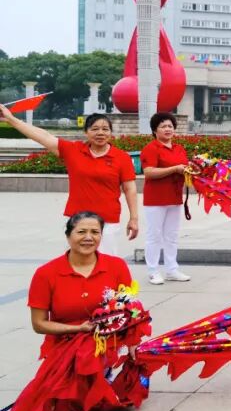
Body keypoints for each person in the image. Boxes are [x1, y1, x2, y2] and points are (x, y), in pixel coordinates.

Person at [0, 106, 138, 256]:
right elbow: (43, 136)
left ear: (111, 133)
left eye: (105, 129)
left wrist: (134, 218)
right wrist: (11, 119)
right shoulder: (73, 150)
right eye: (95, 129)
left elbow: (130, 189)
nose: (100, 133)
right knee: (76, 261)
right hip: (77, 219)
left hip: (107, 221)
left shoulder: (121, 157)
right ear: (86, 132)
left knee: (106, 262)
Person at [27, 212, 134, 360]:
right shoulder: (46, 273)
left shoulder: (117, 266)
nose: (88, 237)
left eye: (95, 232)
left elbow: (130, 311)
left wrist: (133, 343)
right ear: (68, 236)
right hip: (62, 350)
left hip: (104, 348)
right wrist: (77, 329)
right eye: (81, 232)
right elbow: (39, 324)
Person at [140, 112, 191, 285]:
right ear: (155, 130)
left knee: (172, 236)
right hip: (156, 198)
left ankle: (171, 269)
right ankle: (153, 271)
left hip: (174, 197)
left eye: (170, 126)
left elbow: (185, 168)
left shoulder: (179, 148)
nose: (167, 129)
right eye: (163, 126)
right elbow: (149, 172)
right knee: (154, 236)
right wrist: (174, 169)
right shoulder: (151, 148)